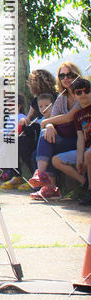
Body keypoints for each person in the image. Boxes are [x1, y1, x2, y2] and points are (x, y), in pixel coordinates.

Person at [29, 61, 82, 200]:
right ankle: (49, 186)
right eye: (62, 75)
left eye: (69, 74)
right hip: (66, 141)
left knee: (45, 138)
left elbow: (69, 117)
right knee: (46, 135)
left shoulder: (82, 94)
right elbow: (52, 119)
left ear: (76, 75)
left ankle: (44, 179)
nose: (65, 78)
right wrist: (50, 126)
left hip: (80, 140)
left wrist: (47, 122)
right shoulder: (61, 98)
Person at [49, 76, 91, 206]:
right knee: (56, 160)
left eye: (87, 91)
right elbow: (80, 138)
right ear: (74, 95)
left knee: (88, 155)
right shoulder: (78, 115)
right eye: (79, 92)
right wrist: (79, 158)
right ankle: (85, 183)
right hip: (86, 149)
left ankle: (90, 191)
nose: (83, 94)